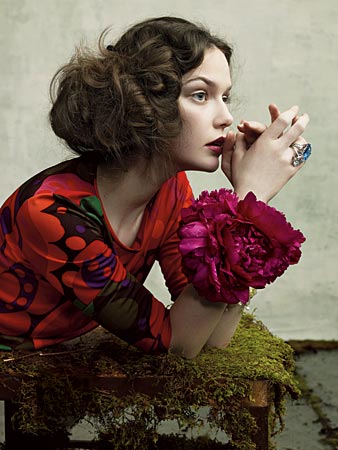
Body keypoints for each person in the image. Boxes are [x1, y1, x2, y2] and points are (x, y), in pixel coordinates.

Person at [0, 16, 310, 359]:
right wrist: (248, 202)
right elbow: (176, 344)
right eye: (201, 95)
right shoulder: (54, 213)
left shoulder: (171, 189)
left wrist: (248, 200)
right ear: (144, 104)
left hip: (59, 346)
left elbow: (210, 334)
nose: (225, 117)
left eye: (225, 97)